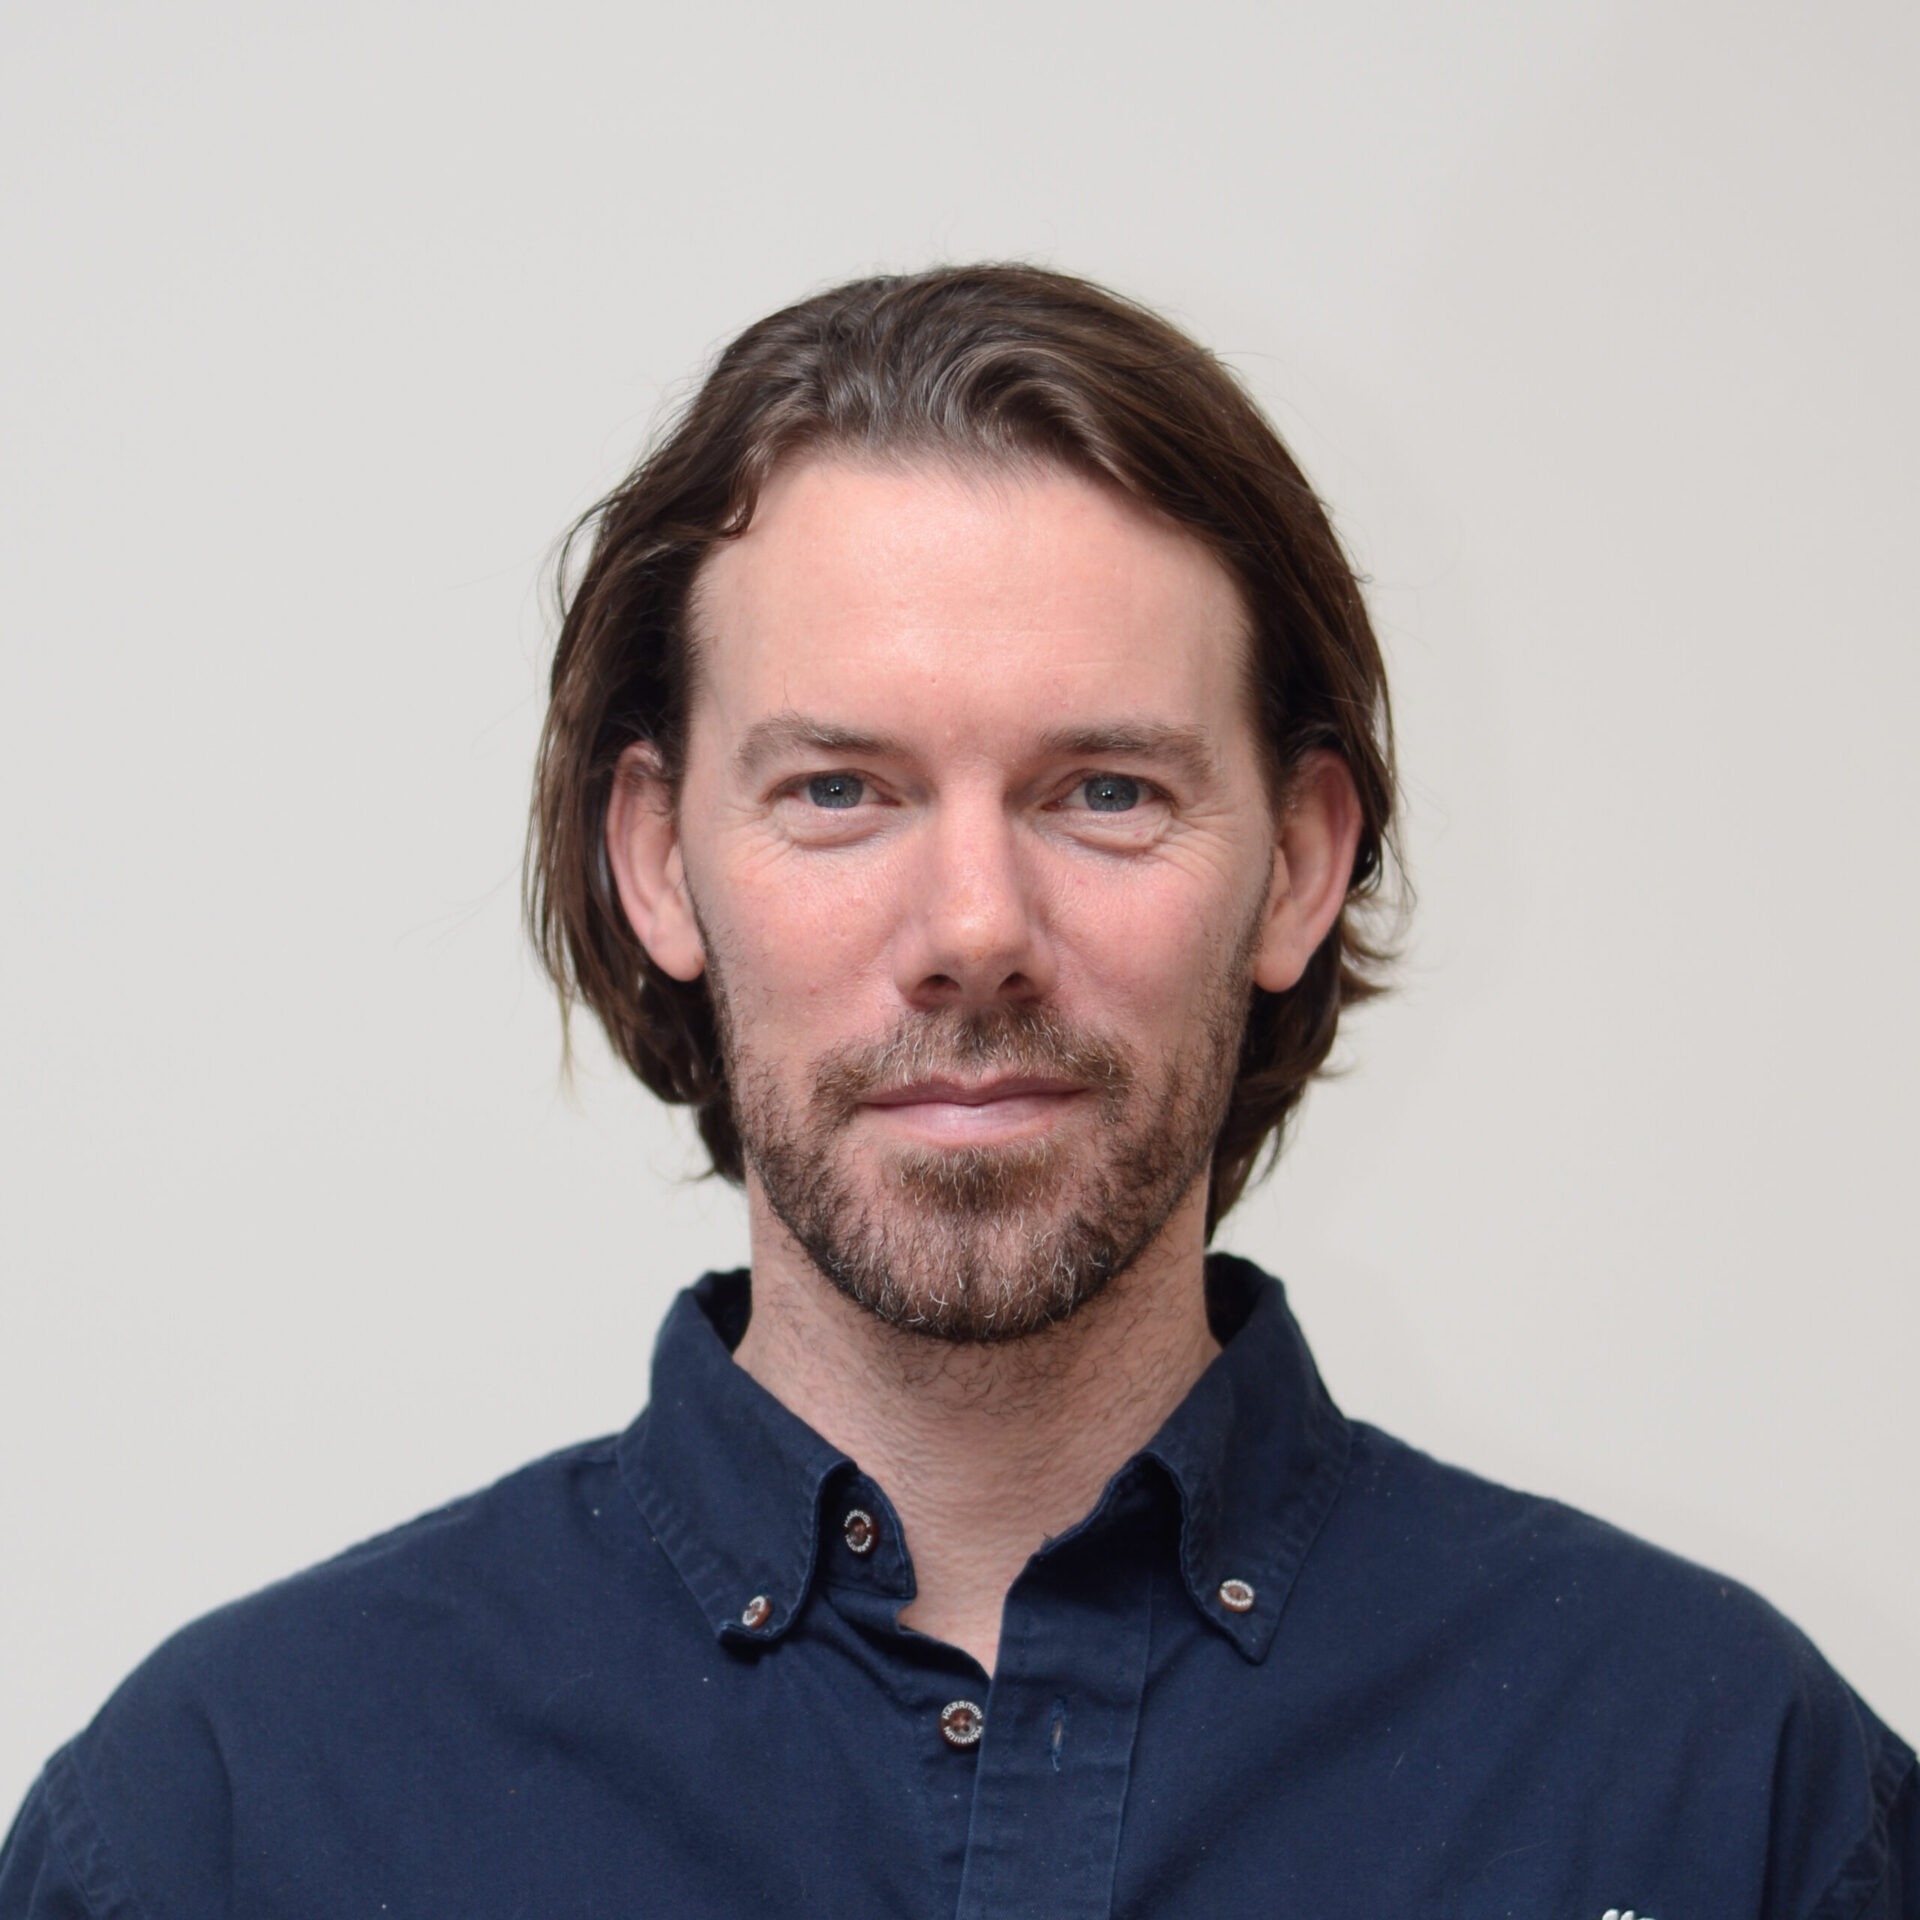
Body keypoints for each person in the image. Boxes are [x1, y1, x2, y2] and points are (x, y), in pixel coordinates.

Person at [2, 264, 1911, 1918]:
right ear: (660, 864)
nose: (976, 927)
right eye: (841, 790)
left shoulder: (1730, 1797)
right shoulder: (221, 1829)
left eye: (1106, 791)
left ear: (1303, 862)